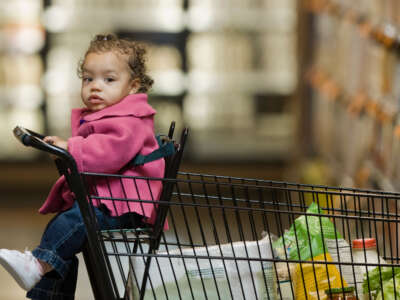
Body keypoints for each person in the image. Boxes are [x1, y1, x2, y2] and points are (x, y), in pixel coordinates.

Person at [0, 33, 165, 299]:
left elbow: (108, 154)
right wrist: (66, 147)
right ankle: (47, 288)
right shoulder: (110, 114)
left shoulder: (132, 120)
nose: (95, 87)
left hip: (126, 206)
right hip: (110, 200)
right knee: (65, 237)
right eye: (88, 79)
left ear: (133, 86)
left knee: (73, 222)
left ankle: (38, 264)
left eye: (108, 79)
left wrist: (71, 148)